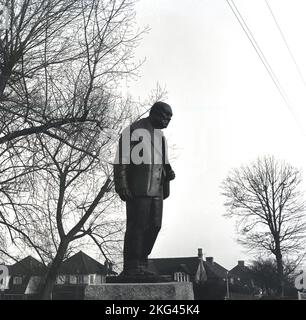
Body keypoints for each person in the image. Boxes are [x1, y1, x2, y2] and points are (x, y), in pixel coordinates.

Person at [114, 101, 175, 276]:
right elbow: (121, 159)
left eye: (170, 118)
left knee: (154, 226)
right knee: (137, 226)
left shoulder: (160, 137)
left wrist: (168, 173)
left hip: (157, 189)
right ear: (154, 113)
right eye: (166, 116)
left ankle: (142, 262)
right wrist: (122, 184)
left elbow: (163, 162)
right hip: (138, 188)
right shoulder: (134, 130)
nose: (168, 121)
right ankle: (132, 266)